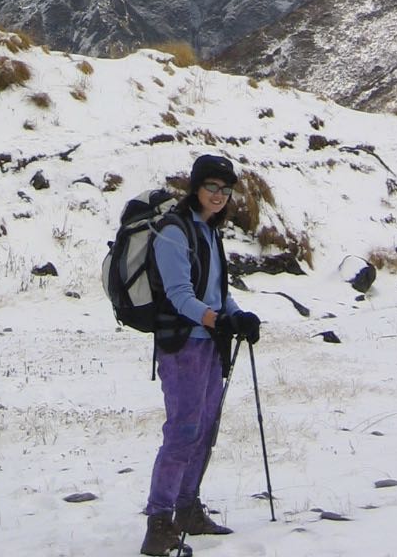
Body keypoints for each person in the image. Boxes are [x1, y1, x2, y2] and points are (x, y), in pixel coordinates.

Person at [141, 152, 261, 556]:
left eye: (225, 190)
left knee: (205, 429)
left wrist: (237, 316)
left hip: (208, 344)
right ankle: (159, 524)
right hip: (182, 345)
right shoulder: (175, 232)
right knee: (183, 431)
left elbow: (217, 292)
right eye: (212, 187)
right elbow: (179, 297)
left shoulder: (210, 232)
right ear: (196, 187)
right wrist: (215, 320)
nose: (219, 195)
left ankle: (187, 508)